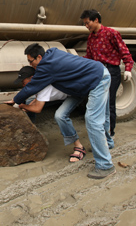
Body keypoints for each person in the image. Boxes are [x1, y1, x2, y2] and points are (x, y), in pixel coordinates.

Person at [8, 43, 115, 179]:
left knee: (93, 120)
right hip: (85, 83)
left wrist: (15, 101)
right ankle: (108, 143)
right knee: (96, 113)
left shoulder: (46, 67)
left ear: (39, 57)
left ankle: (105, 166)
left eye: (31, 61)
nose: (31, 64)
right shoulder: (53, 54)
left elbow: (31, 88)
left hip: (97, 79)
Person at [14, 66, 86, 162]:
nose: (22, 84)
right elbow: (37, 98)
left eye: (23, 81)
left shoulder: (43, 85)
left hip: (74, 94)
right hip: (61, 93)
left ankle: (79, 147)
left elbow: (37, 108)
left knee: (60, 116)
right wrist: (28, 105)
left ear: (31, 78)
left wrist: (22, 106)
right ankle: (31, 135)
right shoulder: (38, 82)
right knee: (30, 101)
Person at [80, 9, 134, 137]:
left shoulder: (111, 33)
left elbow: (124, 51)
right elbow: (89, 56)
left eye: (88, 23)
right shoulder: (91, 37)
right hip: (97, 72)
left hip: (111, 71)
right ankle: (100, 132)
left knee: (109, 104)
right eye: (85, 24)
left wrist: (128, 68)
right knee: (98, 104)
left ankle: (110, 134)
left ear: (96, 20)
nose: (86, 26)